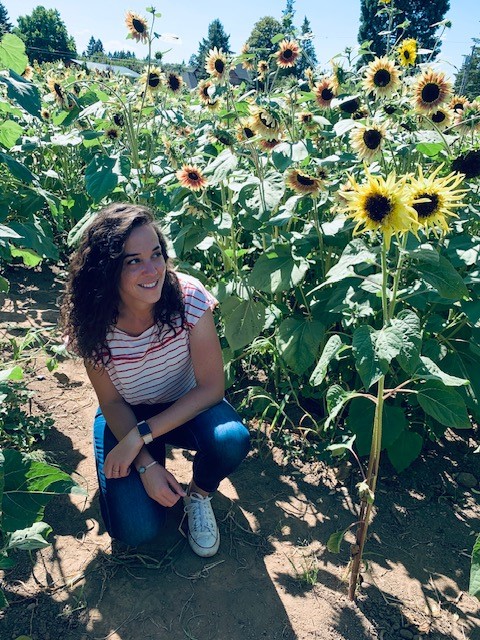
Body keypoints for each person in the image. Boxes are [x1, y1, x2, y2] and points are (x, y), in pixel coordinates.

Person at [60, 202, 250, 557]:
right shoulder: (91, 324)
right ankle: (148, 474)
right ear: (107, 270)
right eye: (133, 260)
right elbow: (112, 402)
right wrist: (145, 463)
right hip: (125, 412)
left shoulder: (189, 298)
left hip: (186, 404)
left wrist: (139, 438)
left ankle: (199, 494)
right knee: (136, 531)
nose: (152, 270)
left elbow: (211, 388)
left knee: (230, 439)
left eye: (156, 254)